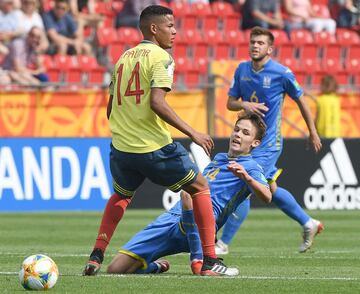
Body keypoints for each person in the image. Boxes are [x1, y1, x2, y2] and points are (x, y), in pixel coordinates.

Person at [83, 5, 233, 277]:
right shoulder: (161, 57)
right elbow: (156, 102)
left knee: (121, 195)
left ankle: (96, 254)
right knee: (199, 187)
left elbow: (110, 107)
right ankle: (210, 260)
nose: (175, 31)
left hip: (121, 148)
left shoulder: (123, 58)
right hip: (153, 146)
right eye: (170, 25)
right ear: (154, 28)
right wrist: (193, 133)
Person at [106, 113, 271, 275]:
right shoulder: (220, 158)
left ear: (255, 143)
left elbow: (267, 196)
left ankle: (199, 260)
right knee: (115, 269)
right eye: (236, 129)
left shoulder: (251, 167)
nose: (238, 134)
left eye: (245, 133)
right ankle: (158, 266)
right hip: (172, 218)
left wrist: (247, 178)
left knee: (188, 194)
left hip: (201, 223)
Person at [215, 26, 324, 255]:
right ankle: (308, 223)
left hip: (268, 143)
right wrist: (245, 105)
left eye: (260, 43)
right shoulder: (241, 69)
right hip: (249, 140)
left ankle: (222, 244)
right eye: (253, 42)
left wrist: (312, 131)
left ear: (270, 49)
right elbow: (230, 103)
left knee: (242, 183)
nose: (255, 45)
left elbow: (302, 101)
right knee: (270, 188)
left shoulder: (282, 73)